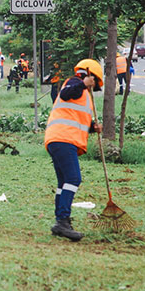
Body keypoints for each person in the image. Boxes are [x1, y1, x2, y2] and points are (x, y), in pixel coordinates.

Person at [44, 58, 104, 241]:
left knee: (64, 182)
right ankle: (63, 221)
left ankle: (60, 221)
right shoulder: (74, 83)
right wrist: (83, 84)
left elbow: (77, 118)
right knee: (73, 178)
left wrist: (93, 127)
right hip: (63, 139)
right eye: (94, 83)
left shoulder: (84, 94)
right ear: (89, 76)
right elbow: (65, 95)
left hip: (60, 139)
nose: (94, 87)